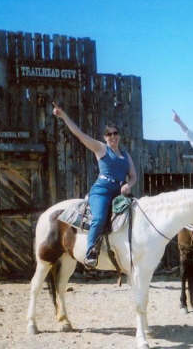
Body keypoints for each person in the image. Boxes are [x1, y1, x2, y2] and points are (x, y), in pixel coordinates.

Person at [52, 102, 137, 268]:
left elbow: (133, 176)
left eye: (115, 133)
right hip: (102, 191)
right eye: (109, 134)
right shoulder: (101, 148)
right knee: (99, 218)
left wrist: (129, 184)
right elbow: (79, 134)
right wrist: (63, 116)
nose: (112, 136)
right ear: (105, 137)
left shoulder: (126, 155)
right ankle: (91, 252)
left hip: (120, 194)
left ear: (119, 135)